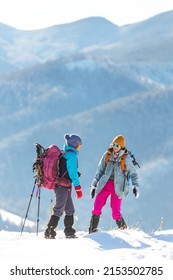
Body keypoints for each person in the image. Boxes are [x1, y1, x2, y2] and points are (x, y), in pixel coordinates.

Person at [89, 134, 140, 233]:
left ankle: (125, 232)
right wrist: (94, 185)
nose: (114, 147)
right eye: (113, 144)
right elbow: (99, 171)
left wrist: (136, 186)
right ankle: (92, 231)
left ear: (121, 146)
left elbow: (133, 173)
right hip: (104, 184)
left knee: (115, 212)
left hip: (118, 187)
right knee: (97, 207)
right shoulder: (107, 155)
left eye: (117, 145)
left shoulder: (126, 158)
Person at [44, 133, 83, 239]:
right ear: (74, 144)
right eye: (79, 145)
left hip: (62, 186)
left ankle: (69, 232)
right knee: (59, 209)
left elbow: (64, 169)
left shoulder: (63, 153)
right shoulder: (71, 156)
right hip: (62, 187)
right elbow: (73, 173)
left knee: (70, 209)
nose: (79, 147)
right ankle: (49, 232)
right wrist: (78, 188)